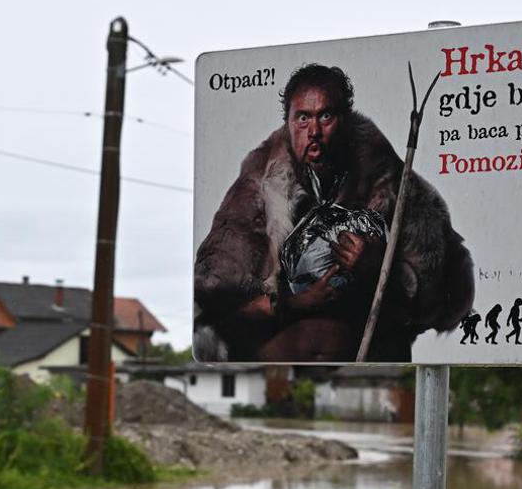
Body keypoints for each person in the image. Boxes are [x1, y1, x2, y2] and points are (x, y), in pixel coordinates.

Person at [194, 64, 475, 362]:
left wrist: (379, 269)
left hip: (367, 377)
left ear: (345, 120)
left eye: (325, 116)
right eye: (302, 118)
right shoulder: (258, 188)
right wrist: (296, 303)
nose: (313, 132)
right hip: (277, 380)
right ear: (288, 123)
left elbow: (439, 296)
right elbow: (216, 302)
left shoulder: (385, 181)